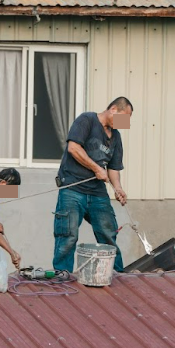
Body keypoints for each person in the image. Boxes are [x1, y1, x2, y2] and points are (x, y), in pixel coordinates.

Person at [53, 97, 132, 273]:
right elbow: (73, 148)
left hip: (97, 193)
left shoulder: (116, 137)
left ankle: (117, 275)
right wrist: (96, 168)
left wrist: (118, 188)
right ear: (113, 109)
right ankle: (62, 276)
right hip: (72, 188)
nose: (125, 123)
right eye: (124, 118)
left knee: (108, 234)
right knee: (68, 236)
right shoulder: (86, 120)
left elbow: (113, 168)